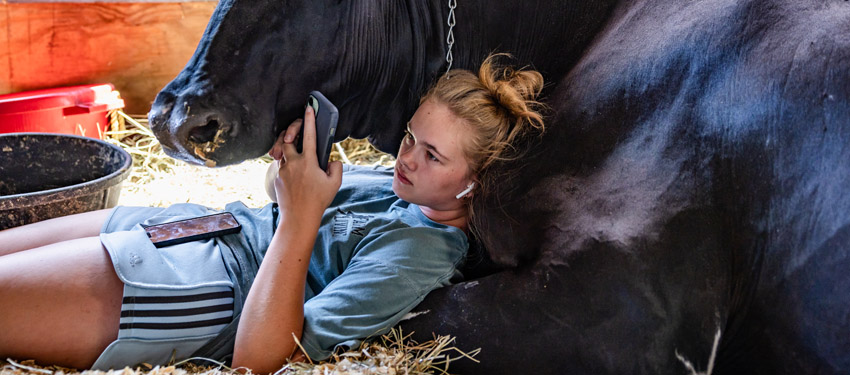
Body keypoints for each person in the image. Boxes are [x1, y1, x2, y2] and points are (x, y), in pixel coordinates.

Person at [0, 54, 545, 374]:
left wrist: (300, 218)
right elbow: (281, 195)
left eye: (433, 155)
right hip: (196, 224)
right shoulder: (398, 185)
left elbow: (261, 360)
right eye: (410, 137)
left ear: (475, 182)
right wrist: (287, 167)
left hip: (202, 286)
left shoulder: (420, 253)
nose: (406, 158)